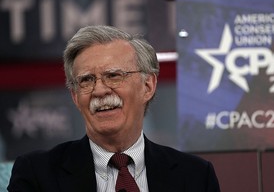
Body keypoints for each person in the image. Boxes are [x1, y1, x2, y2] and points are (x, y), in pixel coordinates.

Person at [7, 25, 220, 192]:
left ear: (148, 86)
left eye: (114, 76)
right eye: (87, 80)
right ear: (75, 96)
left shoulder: (195, 176)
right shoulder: (37, 174)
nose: (99, 91)